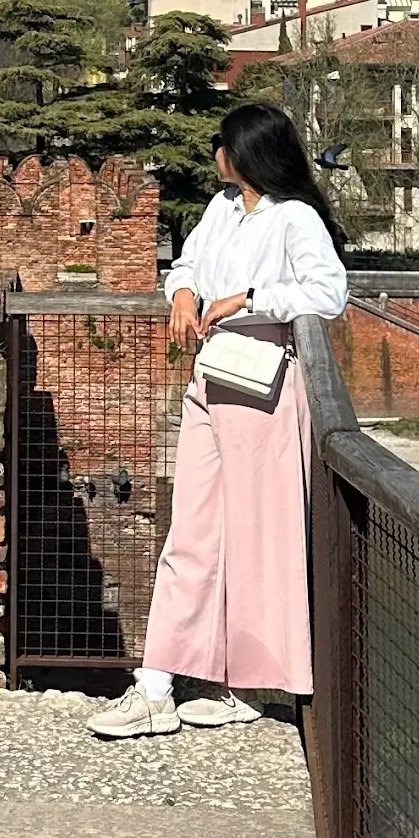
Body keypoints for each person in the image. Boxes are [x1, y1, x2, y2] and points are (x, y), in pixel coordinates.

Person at [88, 102, 349, 739]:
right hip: (211, 381)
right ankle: (156, 686)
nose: (215, 153)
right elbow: (186, 266)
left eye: (223, 144)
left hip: (263, 391)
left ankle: (246, 684)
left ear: (247, 153)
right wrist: (181, 292)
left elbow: (329, 292)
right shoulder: (219, 210)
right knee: (191, 536)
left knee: (263, 543)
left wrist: (248, 297)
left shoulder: (296, 219)